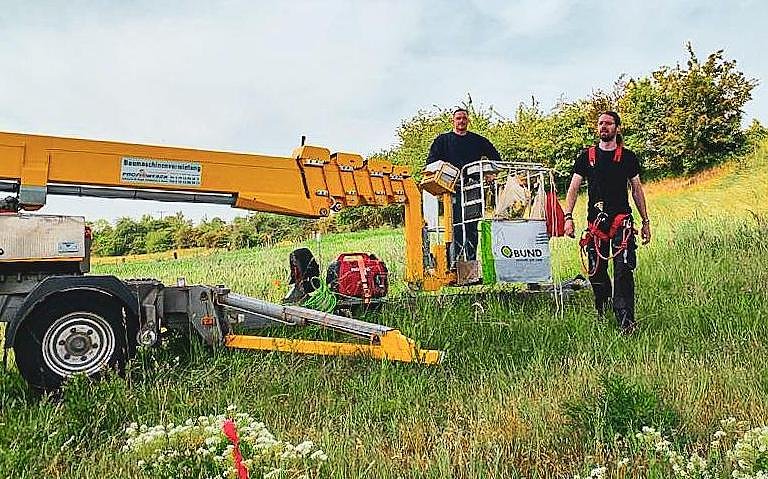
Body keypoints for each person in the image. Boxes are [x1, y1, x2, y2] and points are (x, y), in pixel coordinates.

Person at [563, 111, 651, 333]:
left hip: (622, 223)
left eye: (609, 123)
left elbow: (637, 190)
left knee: (623, 270)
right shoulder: (587, 157)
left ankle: (626, 320)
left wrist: (646, 221)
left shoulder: (628, 157)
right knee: (596, 272)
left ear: (617, 128)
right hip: (596, 225)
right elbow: (573, 188)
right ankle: (603, 309)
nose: (604, 127)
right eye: (601, 123)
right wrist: (568, 217)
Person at [426, 108, 501, 262]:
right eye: (458, 118)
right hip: (451, 190)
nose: (461, 121)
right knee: (455, 226)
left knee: (472, 225)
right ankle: (454, 263)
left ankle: (471, 262)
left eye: (464, 118)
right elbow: (431, 163)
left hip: (473, 188)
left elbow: (496, 158)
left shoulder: (478, 140)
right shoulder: (442, 140)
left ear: (468, 121)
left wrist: (491, 173)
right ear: (452, 121)